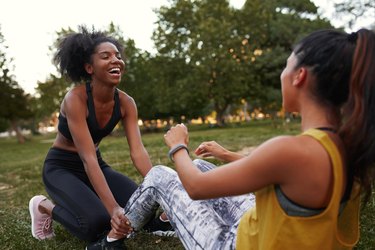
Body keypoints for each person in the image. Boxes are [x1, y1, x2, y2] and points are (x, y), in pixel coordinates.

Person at [87, 28, 375, 250]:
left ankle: (113, 239)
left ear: (299, 76)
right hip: (275, 231)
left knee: (162, 176)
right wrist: (225, 155)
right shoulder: (347, 148)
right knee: (201, 166)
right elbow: (280, 174)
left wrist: (178, 146)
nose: (282, 75)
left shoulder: (291, 149)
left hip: (236, 245)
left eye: (286, 66)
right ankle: (161, 222)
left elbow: (197, 189)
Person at [28, 26, 173, 247]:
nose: (116, 60)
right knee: (99, 224)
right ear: (89, 68)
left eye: (117, 56)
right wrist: (113, 207)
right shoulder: (75, 99)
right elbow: (87, 159)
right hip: (62, 168)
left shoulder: (126, 103)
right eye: (105, 56)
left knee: (140, 211)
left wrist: (160, 188)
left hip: (98, 166)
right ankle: (43, 206)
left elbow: (138, 152)